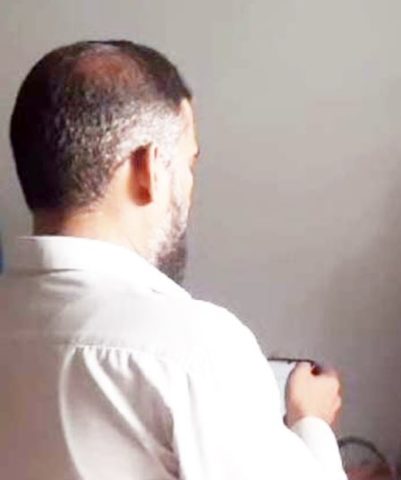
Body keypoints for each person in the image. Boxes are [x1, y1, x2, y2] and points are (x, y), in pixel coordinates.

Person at [0, 40, 346, 479]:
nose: (189, 186)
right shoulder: (191, 347)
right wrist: (311, 423)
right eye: (188, 163)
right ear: (147, 169)